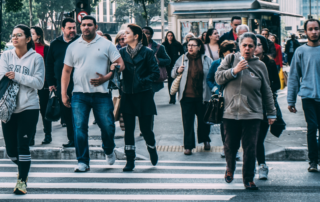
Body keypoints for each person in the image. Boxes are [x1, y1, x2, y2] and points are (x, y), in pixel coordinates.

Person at [61, 16, 125, 172]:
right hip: (79, 95)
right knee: (79, 128)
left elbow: (121, 64)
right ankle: (82, 161)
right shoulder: (73, 46)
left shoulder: (106, 44)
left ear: (95, 26)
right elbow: (67, 71)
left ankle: (109, 149)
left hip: (101, 94)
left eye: (89, 25)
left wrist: (107, 77)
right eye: (83, 25)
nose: (86, 27)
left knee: (108, 127)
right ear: (80, 26)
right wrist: (63, 93)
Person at [215, 32, 276, 190]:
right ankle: (230, 168)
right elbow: (218, 77)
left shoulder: (260, 65)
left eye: (251, 46)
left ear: (255, 48)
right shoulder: (230, 59)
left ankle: (248, 179)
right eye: (244, 45)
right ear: (238, 46)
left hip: (253, 113)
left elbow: (267, 91)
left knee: (250, 147)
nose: (247, 48)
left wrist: (271, 112)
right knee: (230, 145)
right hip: (230, 112)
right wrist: (234, 70)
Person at [0, 24, 45, 195]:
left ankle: (22, 181)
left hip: (29, 107)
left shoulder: (36, 59)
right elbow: (2, 76)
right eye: (13, 35)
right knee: (11, 150)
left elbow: (39, 83)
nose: (15, 37)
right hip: (8, 108)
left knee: (22, 145)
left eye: (19, 35)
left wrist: (17, 75)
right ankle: (23, 167)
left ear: (28, 39)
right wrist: (14, 76)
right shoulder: (5, 55)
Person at [119, 24, 160, 171]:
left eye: (127, 33)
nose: (124, 35)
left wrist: (142, 81)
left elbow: (155, 73)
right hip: (127, 95)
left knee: (146, 129)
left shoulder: (148, 52)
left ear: (136, 36)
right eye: (124, 33)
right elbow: (116, 70)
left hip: (144, 95)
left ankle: (152, 148)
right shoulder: (121, 52)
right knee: (128, 130)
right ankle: (130, 160)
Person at [287, 19, 320, 172]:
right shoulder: (300, 51)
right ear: (305, 32)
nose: (314, 32)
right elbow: (293, 77)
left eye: (317, 29)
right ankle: (313, 161)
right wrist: (291, 100)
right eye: (311, 29)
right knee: (312, 127)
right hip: (308, 97)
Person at [172, 38, 213, 155]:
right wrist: (177, 70)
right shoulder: (182, 59)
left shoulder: (206, 60)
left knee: (204, 121)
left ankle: (205, 140)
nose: (190, 47)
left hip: (203, 97)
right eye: (188, 45)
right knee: (188, 122)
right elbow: (172, 73)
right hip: (186, 97)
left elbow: (212, 75)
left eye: (193, 45)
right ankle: (188, 146)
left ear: (199, 47)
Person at [46, 18, 80, 148]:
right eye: (69, 28)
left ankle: (80, 140)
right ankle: (71, 139)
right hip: (62, 85)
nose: (72, 30)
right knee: (66, 114)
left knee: (79, 114)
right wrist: (51, 83)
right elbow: (49, 64)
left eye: (74, 28)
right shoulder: (55, 44)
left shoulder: (80, 42)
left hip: (79, 84)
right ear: (62, 29)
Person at [206, 40, 240, 160]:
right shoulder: (216, 63)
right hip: (222, 99)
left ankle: (235, 149)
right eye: (230, 51)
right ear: (224, 52)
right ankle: (226, 147)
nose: (233, 52)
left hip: (236, 97)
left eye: (235, 50)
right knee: (224, 125)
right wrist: (215, 89)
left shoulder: (238, 63)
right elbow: (209, 79)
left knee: (237, 123)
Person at [254, 34, 280, 180]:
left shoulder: (269, 63)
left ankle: (262, 165)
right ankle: (252, 164)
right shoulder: (244, 62)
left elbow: (277, 84)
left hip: (264, 105)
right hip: (248, 106)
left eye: (258, 44)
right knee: (249, 139)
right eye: (253, 44)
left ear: (263, 47)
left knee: (258, 139)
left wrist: (264, 88)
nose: (255, 47)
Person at [30, 26, 51, 146]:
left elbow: (49, 67)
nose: (30, 35)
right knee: (31, 111)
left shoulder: (46, 48)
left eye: (32, 33)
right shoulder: (27, 49)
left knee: (44, 111)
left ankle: (48, 134)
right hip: (30, 85)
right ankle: (31, 137)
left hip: (43, 85)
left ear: (38, 35)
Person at [142, 27, 171, 93]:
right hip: (139, 77)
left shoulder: (159, 47)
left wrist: (158, 60)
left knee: (149, 98)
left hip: (152, 77)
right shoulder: (135, 46)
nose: (144, 35)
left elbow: (168, 60)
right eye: (142, 33)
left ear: (151, 35)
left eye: (147, 33)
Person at [162, 31, 184, 104]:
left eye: (171, 35)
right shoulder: (164, 45)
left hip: (175, 64)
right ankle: (171, 97)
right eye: (168, 35)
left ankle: (175, 97)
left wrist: (179, 60)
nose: (170, 37)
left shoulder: (177, 44)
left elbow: (182, 54)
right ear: (166, 36)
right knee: (170, 81)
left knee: (175, 80)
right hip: (167, 65)